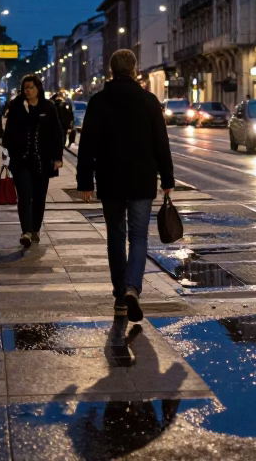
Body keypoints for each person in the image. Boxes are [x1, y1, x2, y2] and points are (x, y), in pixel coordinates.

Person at [77, 50, 175, 322]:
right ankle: (133, 287)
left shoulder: (98, 102)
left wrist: (84, 181)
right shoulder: (148, 101)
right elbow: (161, 143)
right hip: (142, 179)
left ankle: (120, 296)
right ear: (135, 70)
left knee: (116, 236)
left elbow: (87, 146)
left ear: (110, 70)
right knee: (140, 236)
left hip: (110, 179)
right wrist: (167, 179)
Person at [2, 75, 64, 248]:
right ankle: (26, 231)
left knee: (39, 196)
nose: (28, 90)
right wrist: (7, 154)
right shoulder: (16, 106)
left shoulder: (48, 107)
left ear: (38, 88)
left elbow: (57, 133)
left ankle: (35, 228)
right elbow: (8, 133)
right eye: (25, 88)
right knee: (24, 195)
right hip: (21, 160)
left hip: (42, 160)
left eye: (31, 87)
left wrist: (57, 157)